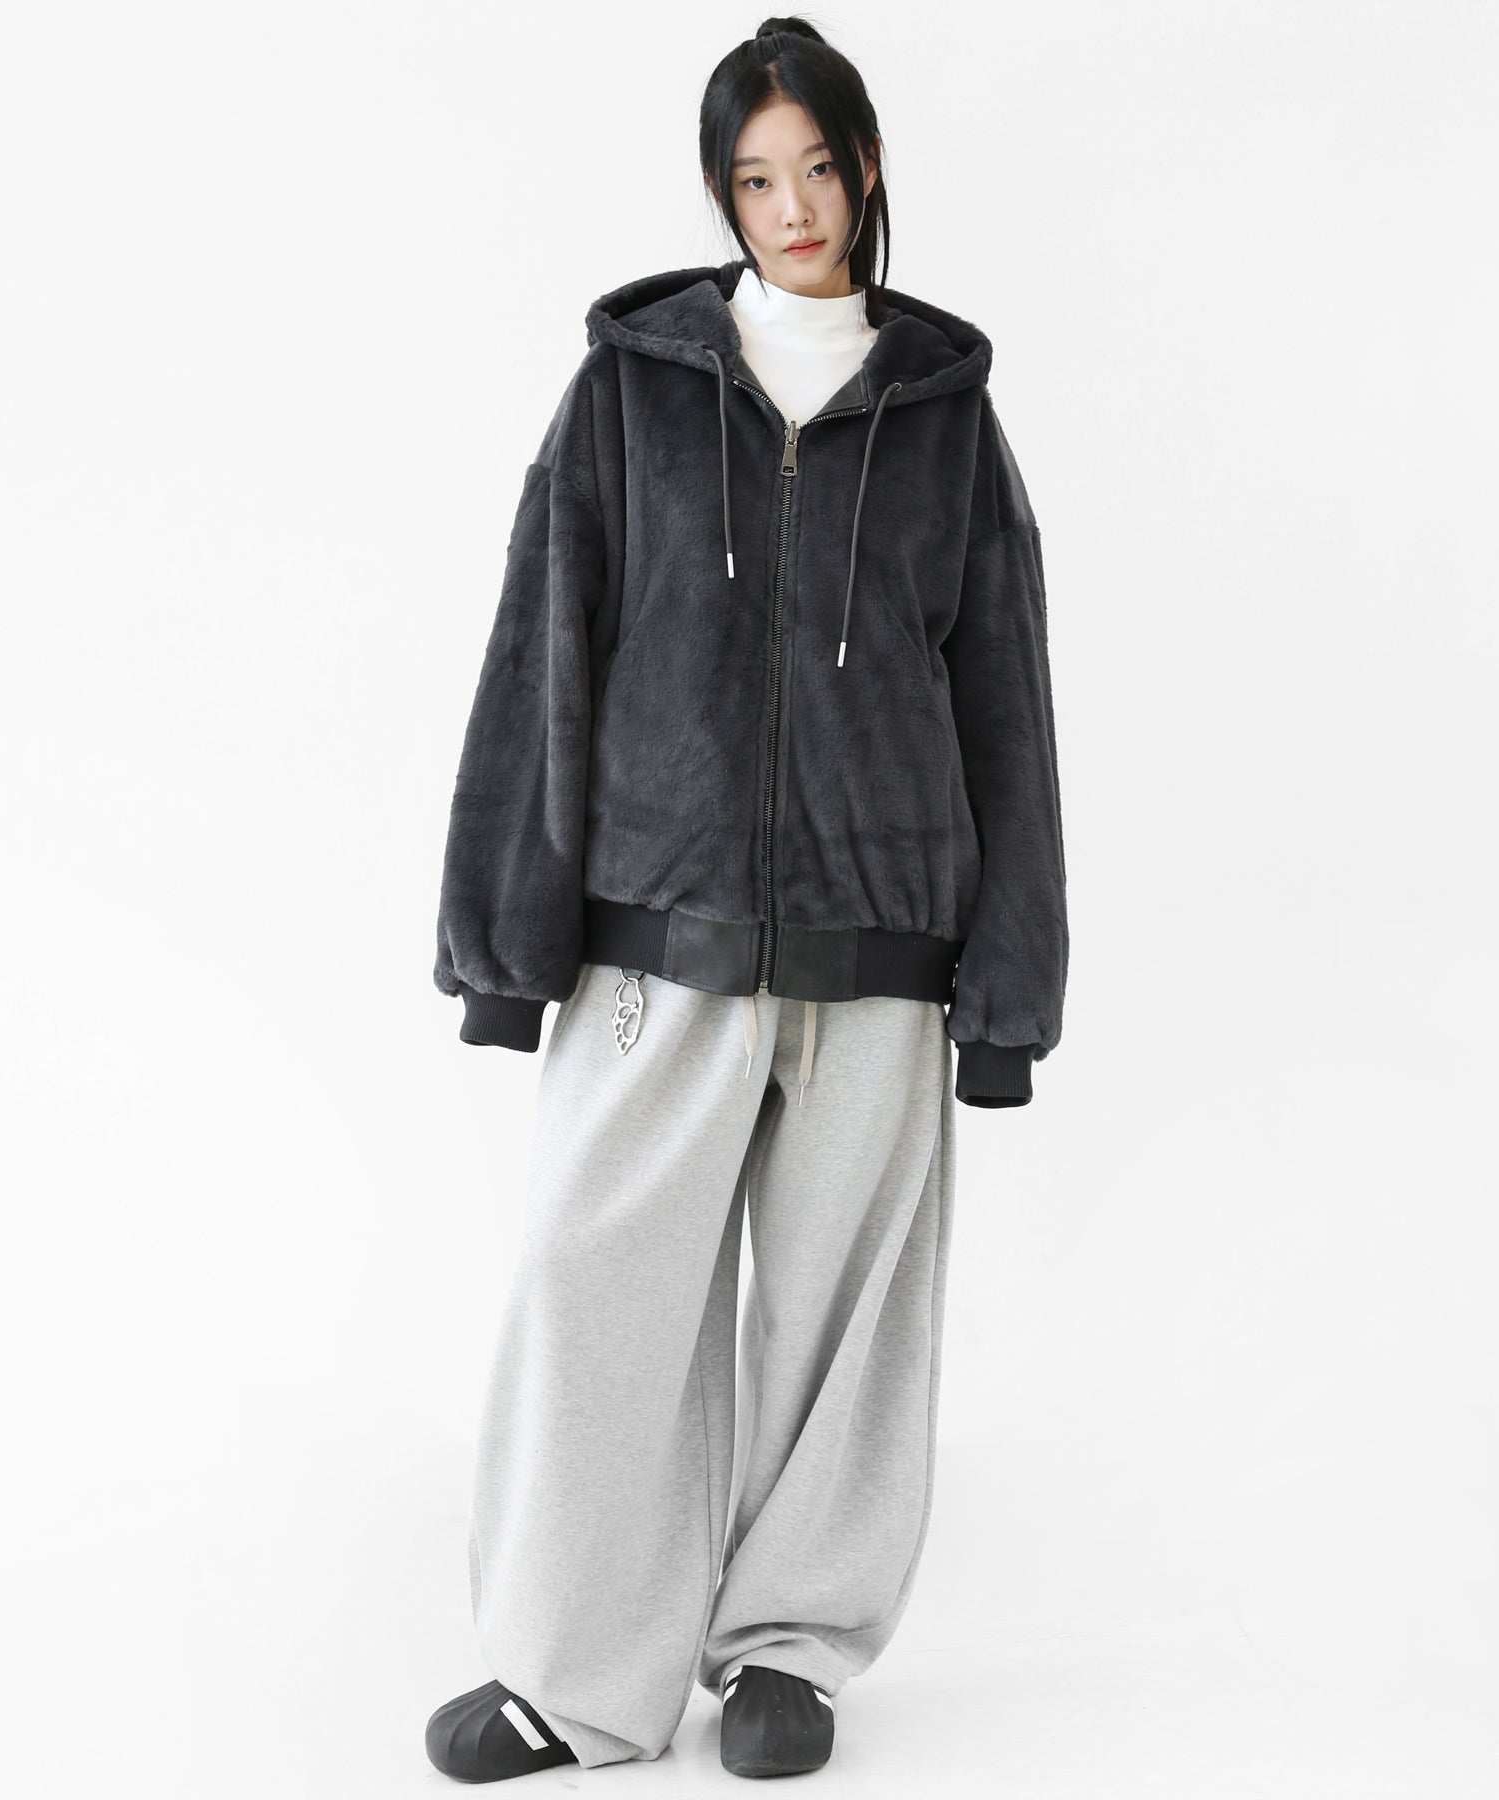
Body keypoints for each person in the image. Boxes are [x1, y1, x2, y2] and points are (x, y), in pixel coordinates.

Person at [423, 14, 1069, 1784]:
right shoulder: (630, 393)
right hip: (661, 933)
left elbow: (1006, 707)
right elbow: (543, 657)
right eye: (755, 178)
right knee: (598, 1291)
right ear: (723, 193)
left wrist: (1009, 992)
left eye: (818, 169)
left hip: (884, 948)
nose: (793, 208)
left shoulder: (948, 420)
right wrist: (506, 946)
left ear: (867, 171)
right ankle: (573, 1673)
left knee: (845, 1326)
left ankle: (789, 1650)